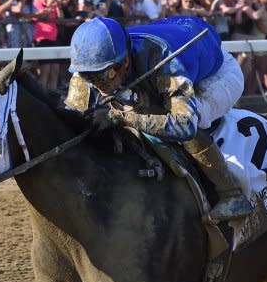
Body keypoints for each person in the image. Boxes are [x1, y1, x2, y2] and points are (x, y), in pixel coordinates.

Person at [65, 16, 252, 223]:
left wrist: (125, 118)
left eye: (104, 76)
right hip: (174, 33)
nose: (96, 84)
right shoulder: (90, 66)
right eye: (88, 77)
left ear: (124, 62)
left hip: (218, 74)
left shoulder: (164, 59)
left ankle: (231, 194)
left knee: (184, 117)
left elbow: (184, 125)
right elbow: (71, 118)